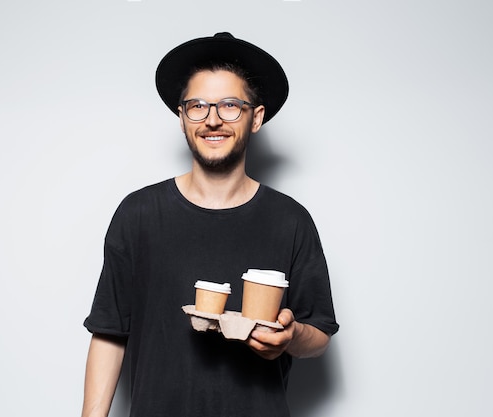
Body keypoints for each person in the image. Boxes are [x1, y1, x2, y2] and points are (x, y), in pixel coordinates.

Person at [82, 32, 339, 417]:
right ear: (182, 117)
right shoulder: (137, 214)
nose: (213, 119)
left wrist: (291, 337)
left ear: (257, 117)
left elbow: (318, 335)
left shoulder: (291, 220)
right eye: (197, 105)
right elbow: (109, 332)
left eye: (231, 105)